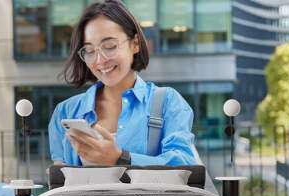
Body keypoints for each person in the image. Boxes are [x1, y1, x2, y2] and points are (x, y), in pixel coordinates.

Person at [49, 0, 196, 166]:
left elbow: (184, 166)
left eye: (110, 46)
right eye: (89, 50)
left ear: (135, 44)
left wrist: (120, 158)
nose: (100, 60)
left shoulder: (167, 102)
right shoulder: (65, 112)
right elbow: (61, 181)